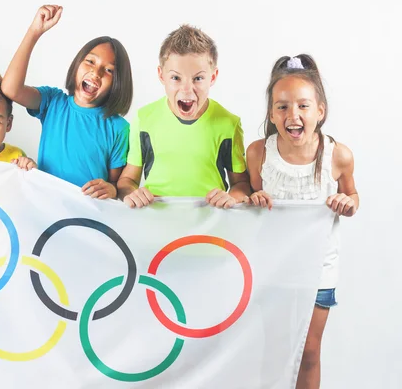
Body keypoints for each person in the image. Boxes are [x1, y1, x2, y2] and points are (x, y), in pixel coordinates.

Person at [246, 54, 359, 389]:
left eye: (303, 106)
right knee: (275, 348)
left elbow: (353, 198)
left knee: (309, 351)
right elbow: (249, 197)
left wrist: (346, 203)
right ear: (271, 114)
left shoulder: (339, 155)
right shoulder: (258, 153)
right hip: (273, 267)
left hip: (319, 268)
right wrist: (252, 198)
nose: (292, 115)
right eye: (282, 107)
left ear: (320, 112)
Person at [2, 5, 133, 199]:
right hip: (45, 208)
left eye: (108, 70)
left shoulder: (118, 128)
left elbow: (117, 183)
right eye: (90, 61)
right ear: (77, 64)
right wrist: (34, 33)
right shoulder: (53, 102)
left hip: (87, 216)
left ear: (118, 83)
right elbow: (10, 89)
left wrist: (112, 189)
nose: (95, 73)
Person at [117, 24, 250, 208]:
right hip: (157, 222)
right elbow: (127, 180)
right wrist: (133, 193)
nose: (187, 89)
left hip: (210, 226)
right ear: (161, 75)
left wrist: (232, 197)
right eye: (176, 78)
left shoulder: (229, 124)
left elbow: (241, 184)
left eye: (198, 78)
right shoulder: (144, 118)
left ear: (213, 77)